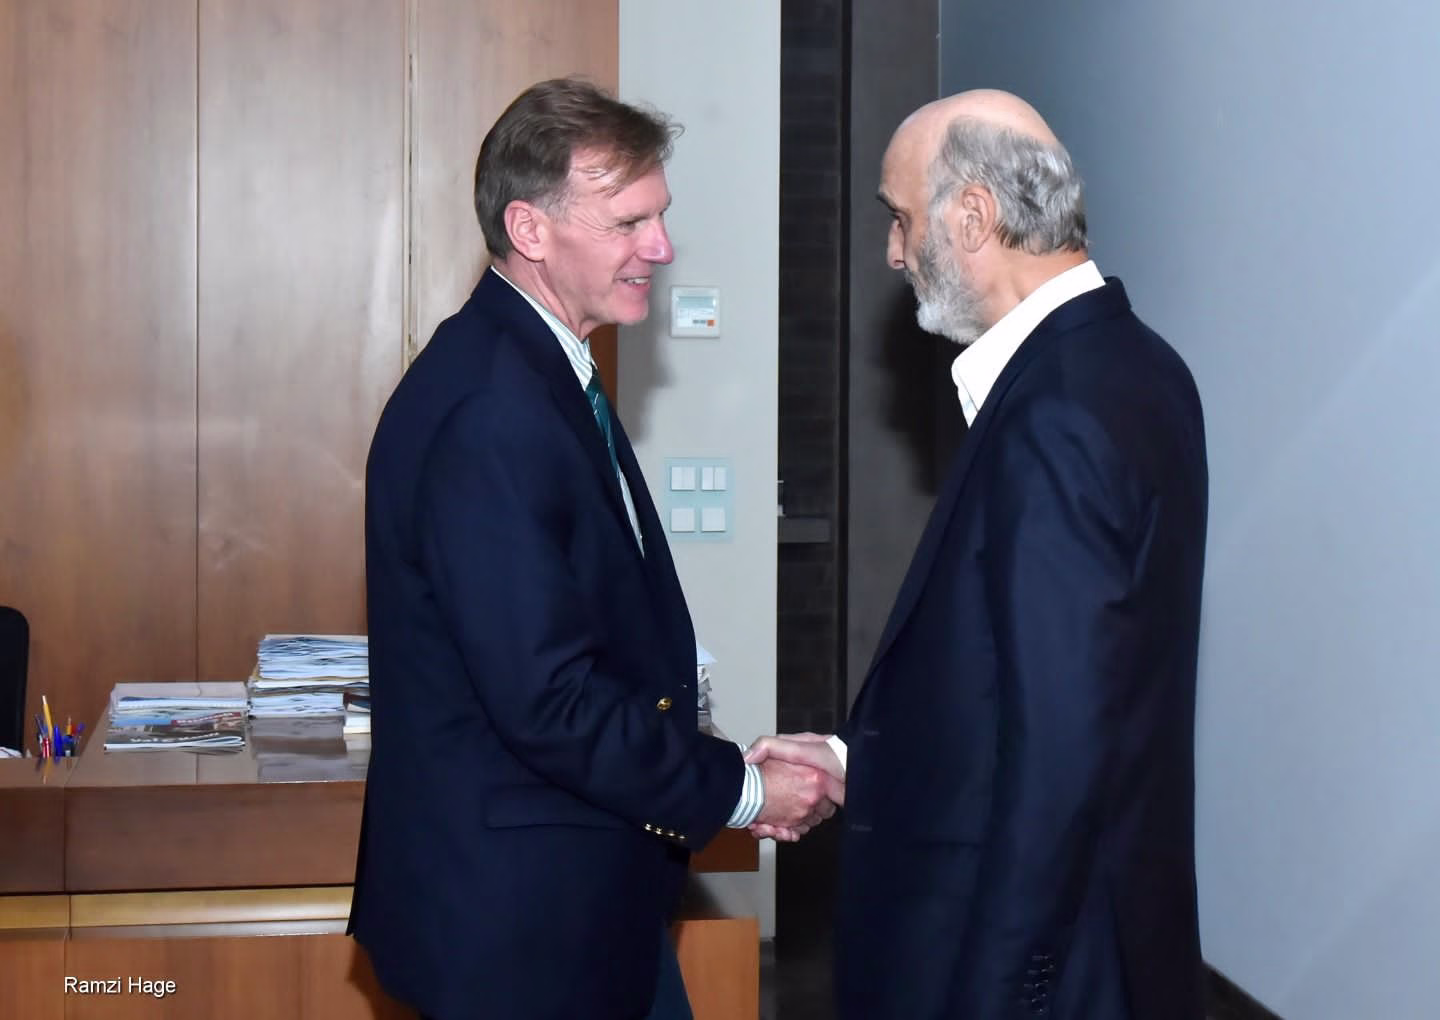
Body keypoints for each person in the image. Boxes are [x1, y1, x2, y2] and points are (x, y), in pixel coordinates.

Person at [350, 78, 839, 1020]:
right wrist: (742, 790)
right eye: (628, 223)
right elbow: (551, 700)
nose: (660, 247)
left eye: (660, 216)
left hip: (578, 898)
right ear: (529, 229)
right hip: (521, 930)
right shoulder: (493, 408)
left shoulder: (540, 371)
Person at [749, 89, 1209, 1018]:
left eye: (900, 217)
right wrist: (856, 757)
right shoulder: (1138, 366)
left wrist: (1001, 997)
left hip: (1035, 972)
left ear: (972, 216)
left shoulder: (1057, 410)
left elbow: (1061, 755)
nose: (893, 251)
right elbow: (1017, 682)